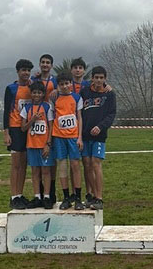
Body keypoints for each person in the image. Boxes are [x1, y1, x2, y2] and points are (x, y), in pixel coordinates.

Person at [81, 65, 116, 208]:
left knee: (96, 163)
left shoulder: (109, 94)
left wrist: (101, 127)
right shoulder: (84, 92)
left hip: (99, 135)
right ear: (92, 78)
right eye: (96, 77)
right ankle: (91, 195)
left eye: (101, 78)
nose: (99, 80)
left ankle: (99, 198)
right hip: (85, 135)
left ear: (105, 79)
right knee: (87, 164)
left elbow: (111, 114)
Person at [51, 71, 85, 209]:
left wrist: (80, 137)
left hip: (73, 137)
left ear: (71, 83)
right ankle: (66, 198)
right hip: (59, 137)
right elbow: (51, 117)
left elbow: (79, 118)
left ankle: (78, 198)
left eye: (67, 83)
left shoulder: (77, 98)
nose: (65, 86)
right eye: (62, 84)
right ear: (58, 85)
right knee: (63, 167)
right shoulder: (54, 98)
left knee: (75, 166)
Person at [3, 59, 33, 209]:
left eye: (28, 70)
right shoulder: (11, 88)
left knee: (24, 164)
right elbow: (6, 111)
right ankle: (13, 196)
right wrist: (6, 133)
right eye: (23, 70)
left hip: (27, 129)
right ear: (18, 71)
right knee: (16, 164)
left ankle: (20, 195)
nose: (26, 73)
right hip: (15, 128)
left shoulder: (32, 87)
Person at [19, 81, 54, 208]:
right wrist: (32, 120)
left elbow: (51, 126)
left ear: (43, 94)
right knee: (35, 171)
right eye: (34, 93)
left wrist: (48, 144)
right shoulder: (27, 108)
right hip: (32, 145)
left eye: (39, 93)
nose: (36, 95)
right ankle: (37, 197)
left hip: (44, 145)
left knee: (46, 171)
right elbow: (23, 128)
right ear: (31, 94)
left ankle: (47, 197)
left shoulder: (47, 107)